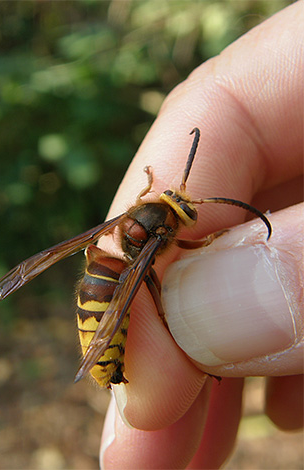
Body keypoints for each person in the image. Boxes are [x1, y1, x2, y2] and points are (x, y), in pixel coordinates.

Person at [99, 2, 303, 468]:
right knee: (148, 296)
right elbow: (185, 242)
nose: (188, 209)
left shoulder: (142, 217)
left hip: (108, 269)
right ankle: (113, 352)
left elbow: (144, 213)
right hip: (113, 292)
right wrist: (211, 246)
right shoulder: (160, 237)